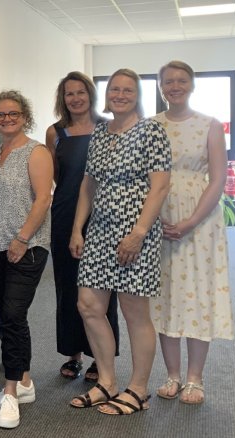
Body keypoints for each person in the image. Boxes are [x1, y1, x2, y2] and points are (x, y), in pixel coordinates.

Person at [69, 68, 171, 416]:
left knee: (134, 311)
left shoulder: (152, 130)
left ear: (137, 95)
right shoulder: (99, 132)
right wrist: (77, 229)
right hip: (99, 231)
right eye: (115, 89)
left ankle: (138, 389)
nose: (120, 95)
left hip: (135, 233)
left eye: (128, 90)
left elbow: (159, 187)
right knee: (88, 305)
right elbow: (88, 185)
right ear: (107, 94)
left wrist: (139, 232)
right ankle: (107, 381)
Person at [150, 60, 234, 405]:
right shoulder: (150, 126)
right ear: (160, 87)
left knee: (198, 294)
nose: (174, 86)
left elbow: (217, 180)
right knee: (165, 296)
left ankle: (195, 378)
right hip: (158, 216)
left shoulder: (210, 126)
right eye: (168, 81)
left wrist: (190, 221)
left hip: (199, 220)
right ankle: (171, 375)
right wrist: (150, 222)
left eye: (181, 80)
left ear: (192, 85)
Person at [0, 90, 53, 429]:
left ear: (25, 116)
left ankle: (10, 393)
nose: (7, 119)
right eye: (1, 115)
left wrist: (22, 238)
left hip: (28, 245)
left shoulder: (35, 152)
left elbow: (43, 201)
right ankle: (23, 382)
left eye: (14, 114)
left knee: (12, 314)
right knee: (6, 315)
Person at [44, 72, 120, 383]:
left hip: (103, 216)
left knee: (103, 288)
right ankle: (72, 354)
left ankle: (97, 357)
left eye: (80, 92)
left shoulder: (109, 127)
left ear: (90, 94)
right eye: (68, 94)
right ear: (63, 99)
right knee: (67, 285)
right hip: (64, 213)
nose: (75, 98)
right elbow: (55, 173)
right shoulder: (55, 132)